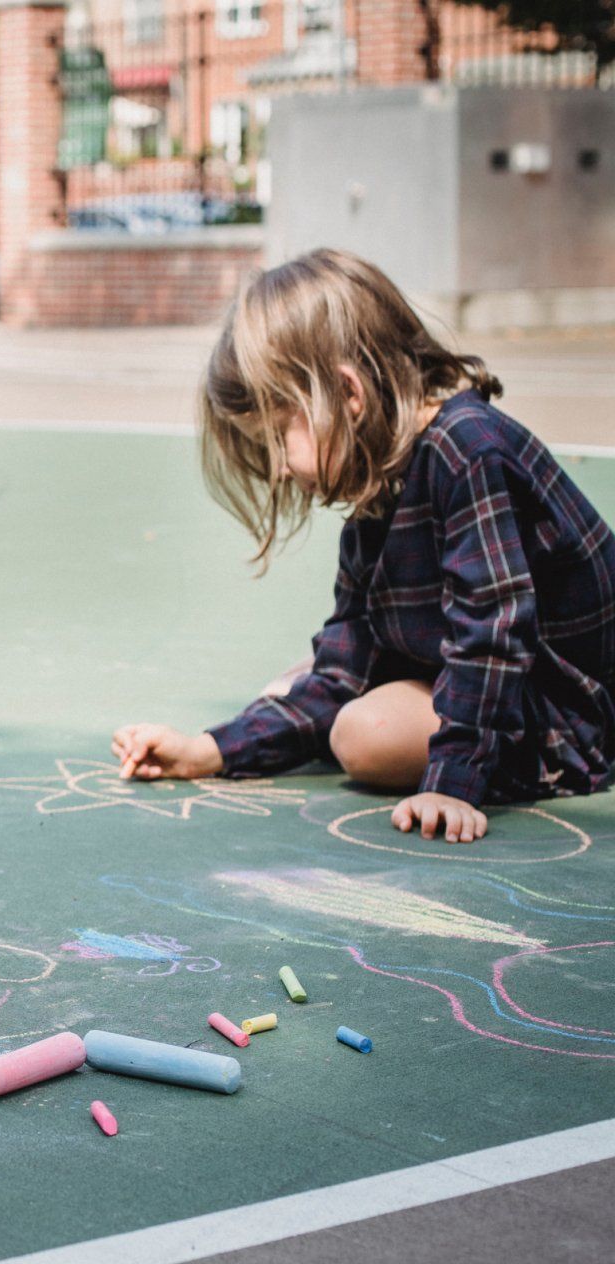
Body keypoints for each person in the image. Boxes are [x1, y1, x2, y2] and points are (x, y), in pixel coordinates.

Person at [113, 249, 615, 843]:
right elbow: (344, 664)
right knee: (303, 683)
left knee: (363, 732)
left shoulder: (468, 450)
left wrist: (453, 782)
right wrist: (208, 749)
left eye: (279, 436)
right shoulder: (380, 492)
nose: (276, 470)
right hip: (501, 683)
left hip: (574, 717)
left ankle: (472, 750)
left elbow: (493, 634)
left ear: (347, 395)